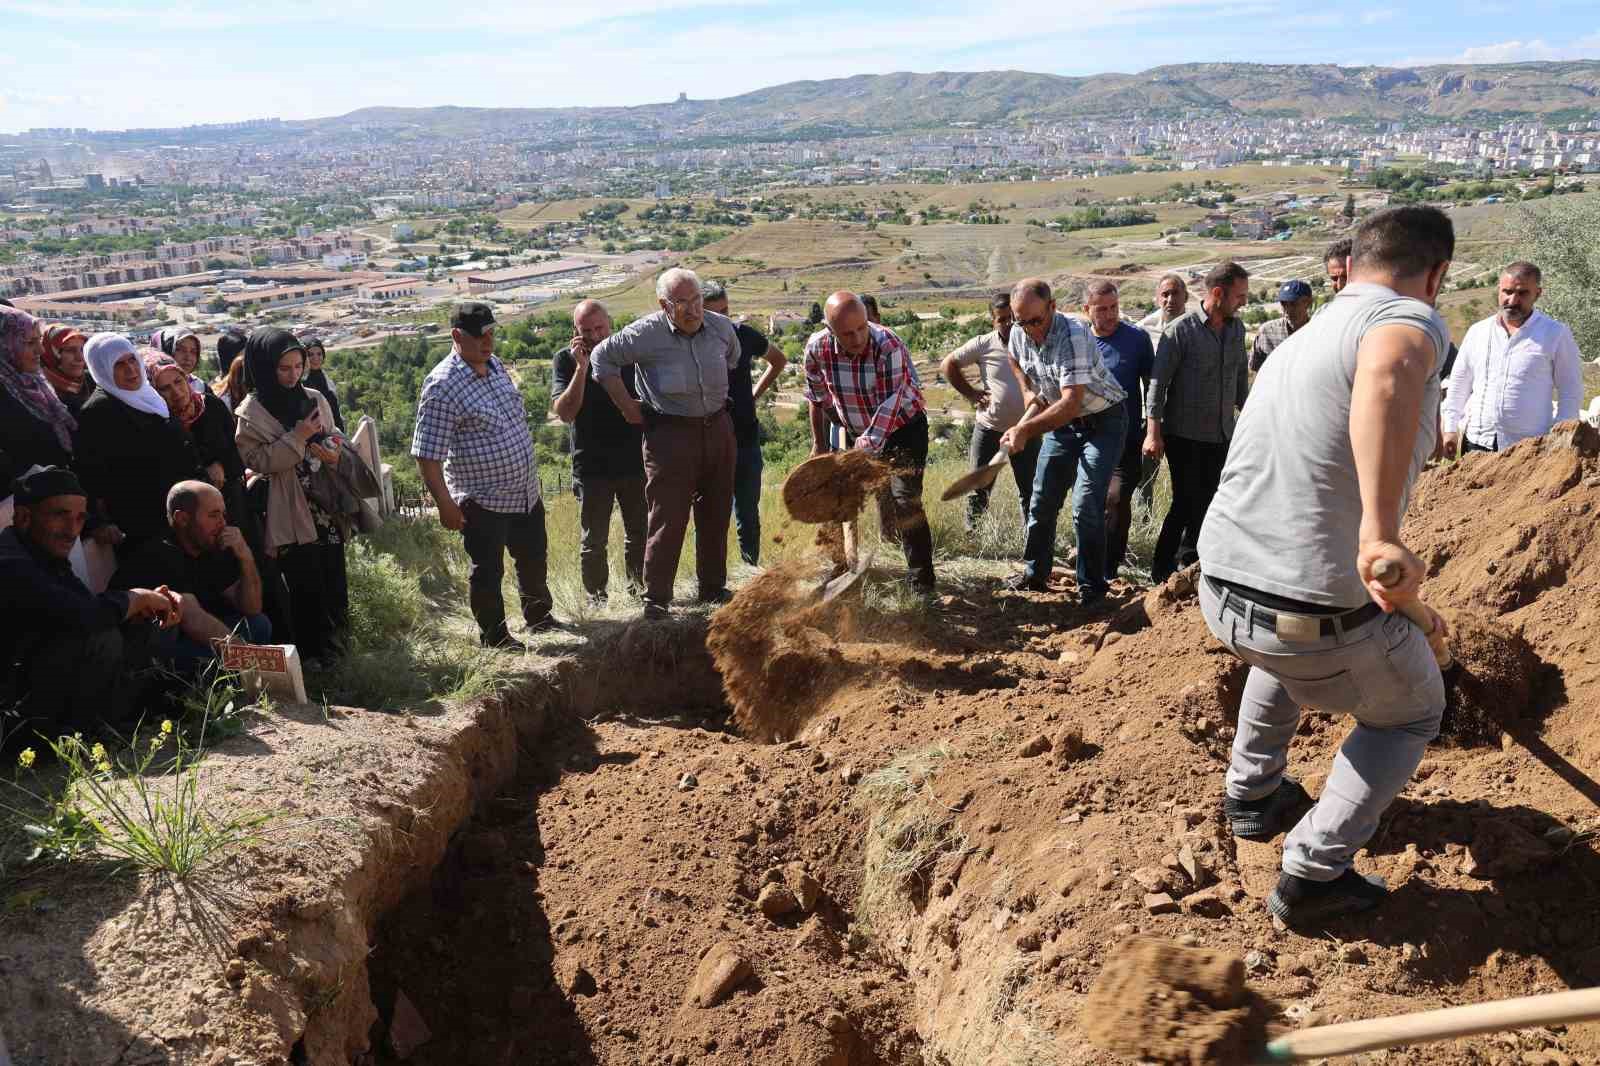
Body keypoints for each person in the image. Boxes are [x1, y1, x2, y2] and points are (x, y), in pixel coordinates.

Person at [1197, 205, 1455, 924]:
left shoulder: (1302, 339)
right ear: (1434, 274)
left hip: (1222, 590)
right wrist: (1378, 534)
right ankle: (1314, 872)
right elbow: (1394, 367)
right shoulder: (1405, 319)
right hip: (1314, 617)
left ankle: (1252, 794)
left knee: (1279, 655)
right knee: (1411, 714)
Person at [590, 269, 741, 619]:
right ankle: (657, 599)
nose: (693, 309)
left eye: (697, 300)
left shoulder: (721, 328)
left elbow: (732, 359)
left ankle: (713, 588)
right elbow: (601, 358)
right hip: (670, 437)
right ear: (664, 305)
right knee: (667, 519)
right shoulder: (645, 333)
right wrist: (627, 406)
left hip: (718, 429)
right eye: (682, 303)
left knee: (717, 512)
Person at [413, 303, 555, 647]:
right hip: (482, 499)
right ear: (457, 336)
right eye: (479, 336)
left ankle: (540, 620)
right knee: (488, 573)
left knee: (533, 560)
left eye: (491, 332)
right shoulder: (442, 385)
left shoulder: (494, 365)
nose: (488, 341)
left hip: (524, 493)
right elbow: (427, 455)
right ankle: (495, 638)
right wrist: (446, 505)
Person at [0, 467, 180, 734]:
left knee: (151, 621)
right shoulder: (10, 562)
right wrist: (136, 598)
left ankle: (129, 714)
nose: (72, 531)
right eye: (61, 516)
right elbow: (83, 616)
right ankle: (78, 735)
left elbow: (87, 608)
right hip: (15, 711)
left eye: (80, 519)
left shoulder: (47, 557)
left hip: (46, 685)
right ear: (24, 517)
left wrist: (143, 606)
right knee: (100, 634)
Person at [1000, 279, 1127, 606]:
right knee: (1041, 500)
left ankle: (1092, 588)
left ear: (1052, 307)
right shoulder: (1020, 331)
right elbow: (1013, 356)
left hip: (1103, 422)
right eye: (1021, 321)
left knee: (1086, 504)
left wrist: (1025, 431)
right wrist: (1028, 390)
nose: (1029, 329)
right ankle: (1035, 573)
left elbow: (1071, 403)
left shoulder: (1073, 335)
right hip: (1064, 424)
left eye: (1035, 320)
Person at [804, 291, 935, 591]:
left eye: (862, 327)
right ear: (829, 329)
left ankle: (922, 584)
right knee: (839, 499)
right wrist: (822, 441)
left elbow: (889, 405)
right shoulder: (816, 348)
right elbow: (817, 395)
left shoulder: (888, 344)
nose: (858, 337)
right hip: (856, 427)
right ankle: (841, 570)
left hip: (903, 429)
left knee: (905, 501)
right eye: (847, 333)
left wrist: (859, 449)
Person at [235, 328, 350, 662]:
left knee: (333, 574)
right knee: (304, 581)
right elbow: (257, 461)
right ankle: (315, 654)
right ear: (264, 367)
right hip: (288, 507)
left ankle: (340, 642)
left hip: (324, 503)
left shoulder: (313, 398)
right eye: (283, 368)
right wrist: (298, 438)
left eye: (298, 366)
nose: (292, 375)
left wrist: (332, 451)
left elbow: (336, 435)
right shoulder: (251, 413)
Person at [1144, 261, 1251, 582]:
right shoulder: (1180, 332)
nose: (1243, 302)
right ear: (1218, 293)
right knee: (1185, 499)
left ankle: (1190, 560)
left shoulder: (1237, 329)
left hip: (1221, 432)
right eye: (1239, 295)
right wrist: (1153, 433)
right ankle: (1161, 569)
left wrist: (1248, 419)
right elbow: (1157, 385)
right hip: (1184, 434)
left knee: (1212, 497)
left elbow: (1239, 380)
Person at [111, 480, 269, 674]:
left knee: (259, 624)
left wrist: (245, 555)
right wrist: (252, 659)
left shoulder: (209, 544)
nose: (223, 523)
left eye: (223, 514)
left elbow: (252, 607)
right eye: (213, 515)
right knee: (211, 656)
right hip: (145, 653)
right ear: (182, 519)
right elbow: (193, 619)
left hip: (189, 637)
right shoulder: (162, 553)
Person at [74, 333, 202, 558]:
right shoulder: (98, 413)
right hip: (147, 528)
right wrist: (97, 523)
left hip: (184, 513)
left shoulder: (149, 396)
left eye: (132, 360)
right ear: (101, 368)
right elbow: (90, 477)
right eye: (119, 365)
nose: (131, 370)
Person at [551, 299, 646, 603]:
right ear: (575, 331)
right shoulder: (565, 360)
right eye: (587, 330)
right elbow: (565, 413)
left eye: (600, 328)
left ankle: (639, 591)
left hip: (635, 461)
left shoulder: (630, 355)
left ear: (611, 323)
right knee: (594, 541)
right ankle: (597, 599)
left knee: (640, 534)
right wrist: (582, 368)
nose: (595, 336)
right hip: (592, 467)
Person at [1442, 262, 1582, 457]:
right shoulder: (1478, 332)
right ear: (1498, 290)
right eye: (1507, 291)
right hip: (1476, 443)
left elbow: (1570, 389)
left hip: (1530, 448)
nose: (1512, 300)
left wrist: (1561, 435)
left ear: (1537, 293)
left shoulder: (1555, 334)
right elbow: (1459, 382)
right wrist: (1449, 429)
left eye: (1522, 293)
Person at [703, 281, 787, 566]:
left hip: (746, 438)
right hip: (710, 442)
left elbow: (778, 360)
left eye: (726, 311)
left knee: (748, 514)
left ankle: (749, 571)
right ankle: (714, 580)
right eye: (714, 314)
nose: (723, 319)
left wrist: (753, 395)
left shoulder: (743, 334)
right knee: (712, 515)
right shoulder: (694, 344)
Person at [940, 292, 1040, 531]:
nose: (1007, 324)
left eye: (1011, 318)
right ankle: (974, 537)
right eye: (1001, 319)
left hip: (1027, 430)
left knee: (1031, 489)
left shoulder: (1033, 340)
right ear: (992, 321)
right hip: (989, 429)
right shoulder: (983, 344)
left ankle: (1034, 540)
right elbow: (948, 365)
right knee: (978, 489)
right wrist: (971, 393)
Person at [1082, 281, 1155, 582]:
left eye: (1114, 307)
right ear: (1087, 310)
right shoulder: (1079, 340)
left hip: (1126, 439)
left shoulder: (1137, 338)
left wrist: (1153, 429)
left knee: (1116, 499)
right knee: (1090, 501)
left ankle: (1110, 568)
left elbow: (1152, 387)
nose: (1111, 315)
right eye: (1102, 309)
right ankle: (1089, 560)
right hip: (1088, 436)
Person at [0, 307, 77, 490]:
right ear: (5, 345)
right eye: (29, 342)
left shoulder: (36, 383)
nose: (41, 350)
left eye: (40, 340)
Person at [1250, 280, 1314, 372]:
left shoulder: (1318, 331)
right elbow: (1255, 368)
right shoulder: (1267, 332)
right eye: (1283, 304)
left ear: (1308, 302)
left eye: (1293, 303)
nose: (1287, 309)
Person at [40, 324, 93, 415]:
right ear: (51, 354)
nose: (80, 358)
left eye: (82, 349)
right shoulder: (39, 392)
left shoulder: (91, 381)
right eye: (70, 350)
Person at [301, 338, 346, 432]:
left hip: (335, 431)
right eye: (310, 355)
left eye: (319, 354)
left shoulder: (324, 378)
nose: (316, 358)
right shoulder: (303, 381)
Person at [1137, 273, 1189, 343]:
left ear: (1186, 297)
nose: (1170, 300)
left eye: (1175, 293)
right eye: (1165, 295)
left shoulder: (1199, 329)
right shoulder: (1143, 330)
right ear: (1158, 299)